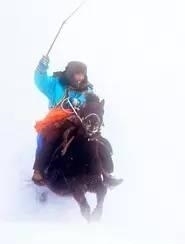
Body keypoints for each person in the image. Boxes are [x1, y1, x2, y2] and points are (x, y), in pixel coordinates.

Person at [31, 55, 121, 187]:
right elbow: (40, 81)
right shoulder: (56, 84)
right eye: (77, 75)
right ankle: (39, 170)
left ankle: (105, 173)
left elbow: (92, 101)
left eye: (82, 75)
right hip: (58, 120)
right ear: (70, 74)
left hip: (79, 119)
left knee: (95, 138)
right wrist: (41, 68)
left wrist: (81, 102)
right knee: (48, 137)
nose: (80, 78)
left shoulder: (87, 88)